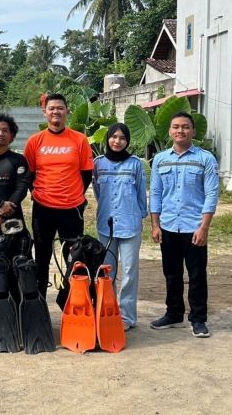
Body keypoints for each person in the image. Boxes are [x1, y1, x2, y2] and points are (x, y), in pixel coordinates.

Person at [149, 111, 218, 338]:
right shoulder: (160, 159)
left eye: (185, 127)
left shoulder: (205, 159)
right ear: (169, 131)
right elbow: (156, 193)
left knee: (197, 274)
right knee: (171, 273)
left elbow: (211, 194)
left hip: (194, 227)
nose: (181, 131)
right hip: (168, 225)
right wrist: (155, 225)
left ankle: (198, 319)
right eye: (176, 127)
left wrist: (204, 227)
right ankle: (174, 314)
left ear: (193, 131)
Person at [23, 93, 94, 297]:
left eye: (60, 108)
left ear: (67, 111)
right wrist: (37, 193)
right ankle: (40, 304)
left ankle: (71, 302)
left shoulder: (79, 140)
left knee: (74, 258)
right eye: (51, 108)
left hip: (71, 209)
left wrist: (73, 195)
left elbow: (86, 174)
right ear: (45, 112)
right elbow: (29, 174)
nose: (56, 111)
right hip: (43, 209)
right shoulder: (35, 141)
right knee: (42, 257)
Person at [92, 123, 147, 331]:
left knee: (130, 271)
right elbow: (98, 192)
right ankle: (108, 311)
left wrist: (141, 217)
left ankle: (127, 317)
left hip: (130, 224)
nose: (117, 141)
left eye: (122, 138)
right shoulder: (98, 164)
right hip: (106, 224)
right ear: (107, 139)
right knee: (107, 272)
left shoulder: (135, 164)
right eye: (113, 137)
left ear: (127, 141)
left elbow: (142, 194)